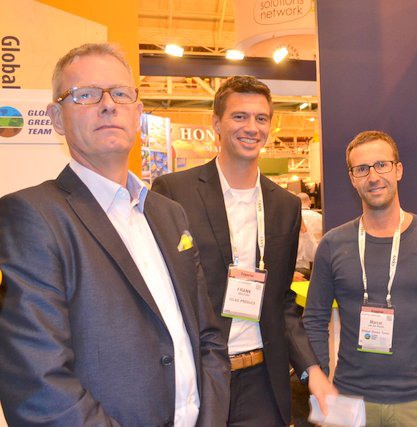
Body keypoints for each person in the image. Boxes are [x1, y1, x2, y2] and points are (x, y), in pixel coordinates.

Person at [0, 43, 229, 426]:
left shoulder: (170, 215)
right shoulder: (32, 217)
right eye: (86, 95)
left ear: (138, 114)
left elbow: (208, 337)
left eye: (121, 94)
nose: (108, 105)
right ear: (57, 117)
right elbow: (37, 382)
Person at [152, 75, 335, 426]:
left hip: (262, 382)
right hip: (200, 378)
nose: (251, 127)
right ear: (216, 123)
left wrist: (312, 370)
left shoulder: (284, 205)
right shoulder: (174, 193)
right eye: (239, 116)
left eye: (261, 118)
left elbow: (282, 302)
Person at [303, 130, 417, 426]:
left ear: (398, 170)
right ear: (352, 178)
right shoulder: (332, 244)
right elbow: (314, 319)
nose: (373, 176)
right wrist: (321, 380)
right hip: (348, 400)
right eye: (362, 169)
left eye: (382, 165)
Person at [295, 192, 322, 277]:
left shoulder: (304, 224)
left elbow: (312, 254)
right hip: (306, 266)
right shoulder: (319, 217)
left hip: (304, 268)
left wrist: (305, 231)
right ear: (309, 202)